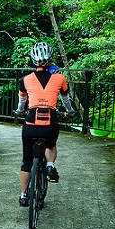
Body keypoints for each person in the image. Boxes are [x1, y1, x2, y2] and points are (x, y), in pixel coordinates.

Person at [14, 42, 76, 207]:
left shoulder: (25, 80)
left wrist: (20, 111)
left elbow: (22, 102)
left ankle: (23, 195)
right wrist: (70, 112)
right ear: (49, 60)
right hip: (50, 124)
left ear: (33, 60)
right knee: (51, 145)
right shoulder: (60, 78)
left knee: (26, 161)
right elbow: (65, 100)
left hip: (30, 124)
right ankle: (49, 165)